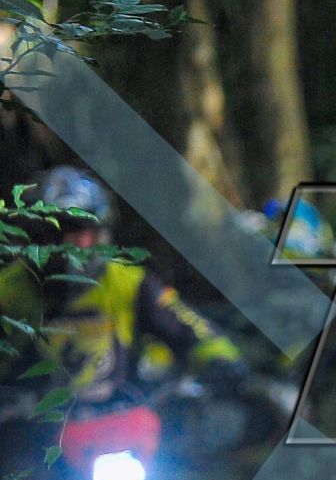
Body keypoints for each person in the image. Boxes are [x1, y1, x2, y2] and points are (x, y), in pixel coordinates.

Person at [0, 166, 245, 402]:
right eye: (56, 230)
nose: (73, 242)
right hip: (30, 421)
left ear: (101, 233)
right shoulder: (7, 290)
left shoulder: (131, 281)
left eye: (82, 229)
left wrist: (222, 362)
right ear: (34, 236)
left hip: (124, 414)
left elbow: (189, 327)